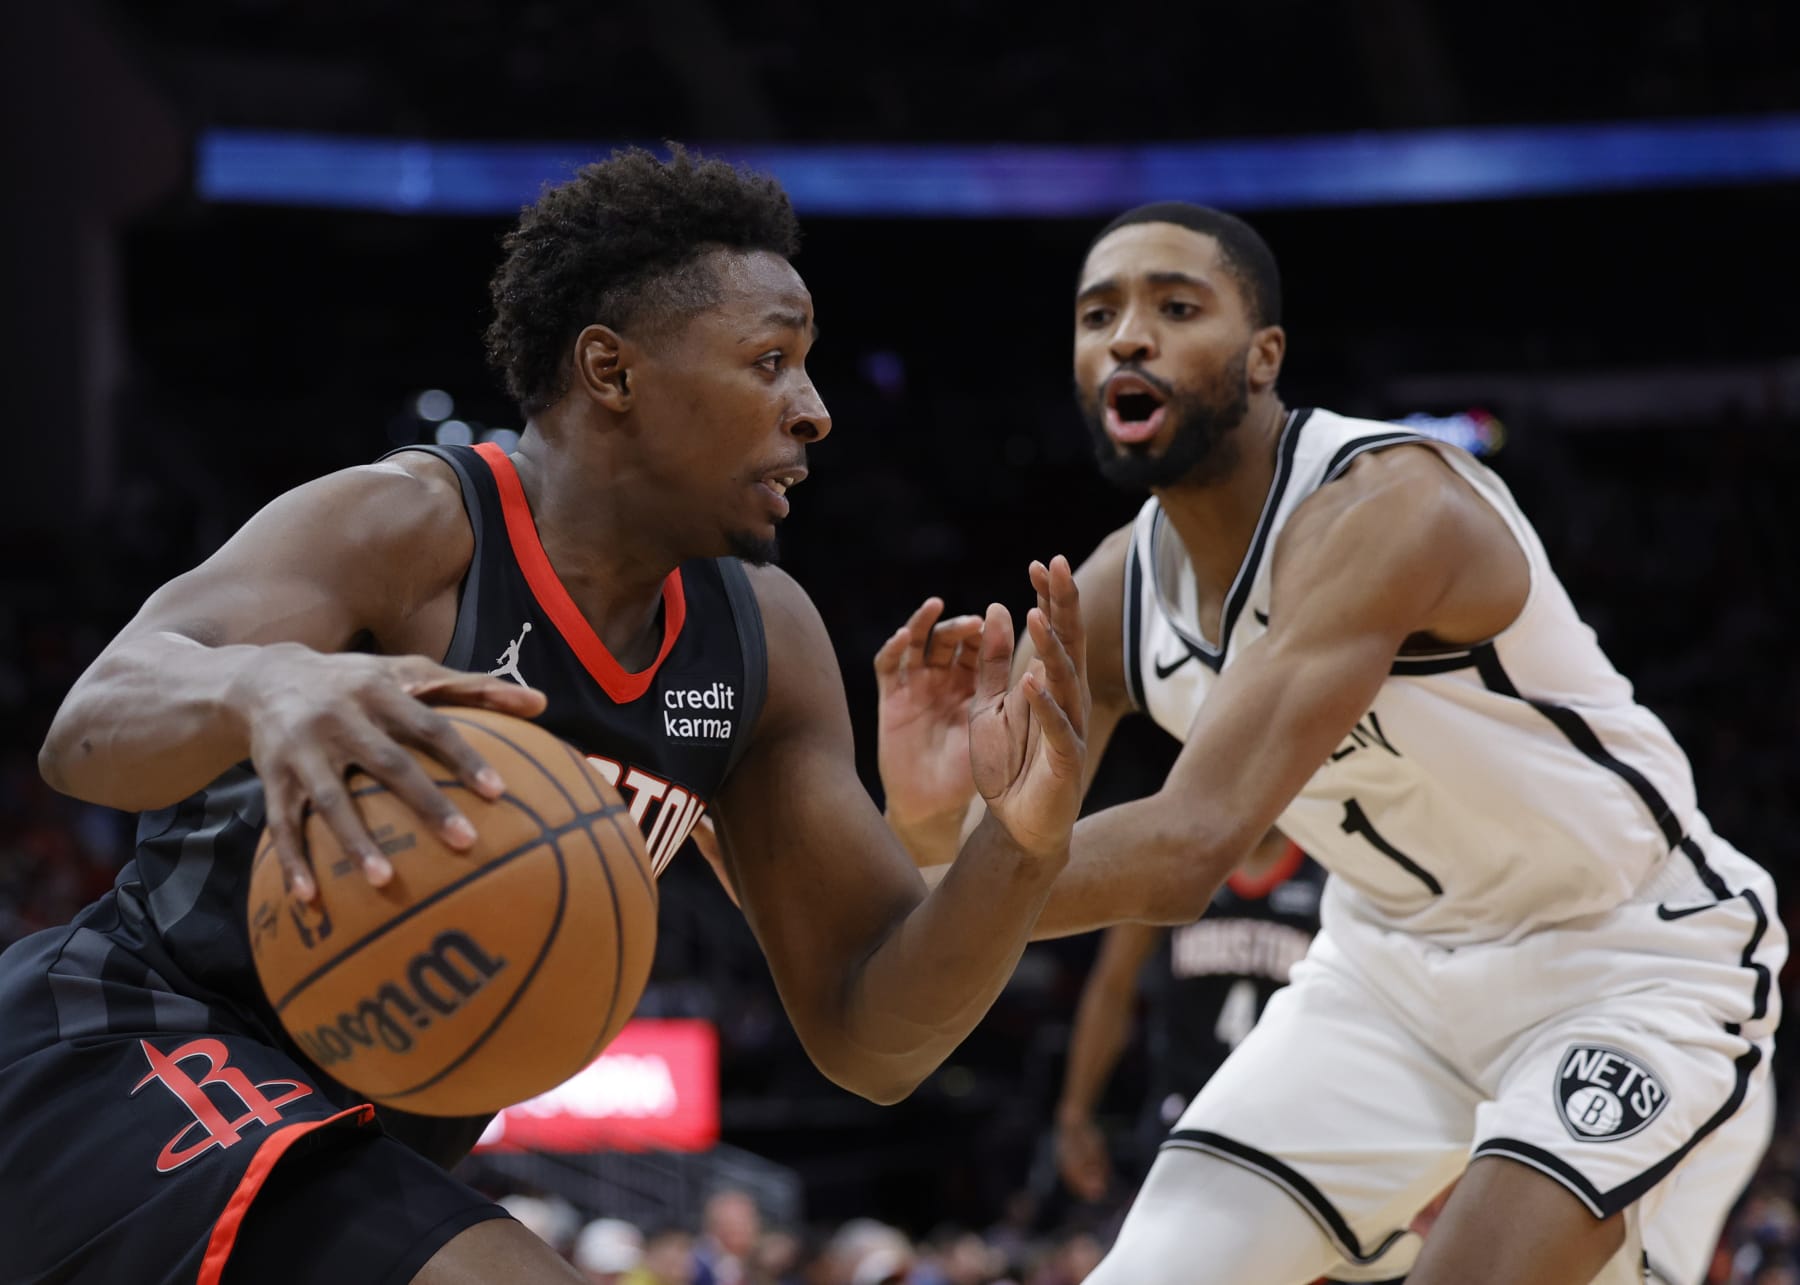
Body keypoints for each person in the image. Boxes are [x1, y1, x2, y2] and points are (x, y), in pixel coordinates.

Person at [3, 146, 1092, 1283]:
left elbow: (872, 1035)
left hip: (358, 1139)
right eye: (771, 361)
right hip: (133, 1044)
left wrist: (1018, 844)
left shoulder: (764, 643)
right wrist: (263, 685)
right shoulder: (410, 526)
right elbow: (87, 730)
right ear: (610, 370)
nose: (815, 411)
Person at [874, 202, 1783, 1285]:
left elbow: (1184, 848)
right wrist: (925, 820)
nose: (1128, 336)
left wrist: (906, 892)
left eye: (1176, 307)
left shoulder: (1388, 507)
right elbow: (983, 871)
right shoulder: (1114, 592)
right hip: (1384, 974)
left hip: (1623, 955)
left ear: (1264, 356)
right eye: (1098, 314)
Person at [1053, 826, 1323, 1202]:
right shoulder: (1173, 863)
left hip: (1291, 1121)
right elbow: (1112, 989)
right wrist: (1075, 1113)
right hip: (1184, 1113)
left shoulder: (1329, 870)